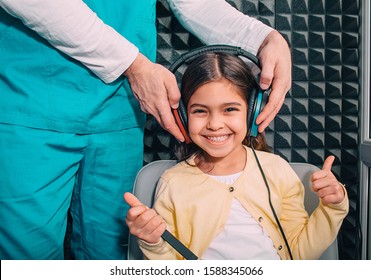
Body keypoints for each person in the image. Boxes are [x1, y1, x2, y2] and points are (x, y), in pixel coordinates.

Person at [0, 0, 290, 260]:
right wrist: (132, 65)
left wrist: (264, 38)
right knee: (27, 256)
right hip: (32, 105)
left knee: (115, 251)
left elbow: (195, 4)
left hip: (120, 110)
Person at [124, 53, 349, 260]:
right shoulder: (172, 183)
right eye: (200, 111)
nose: (214, 125)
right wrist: (153, 241)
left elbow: (299, 253)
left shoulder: (276, 170)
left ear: (252, 112)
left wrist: (333, 207)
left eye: (230, 109)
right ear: (183, 116)